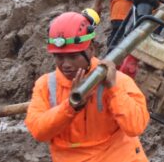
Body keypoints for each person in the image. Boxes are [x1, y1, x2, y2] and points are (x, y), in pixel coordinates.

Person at [25, 10, 150, 162]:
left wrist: (113, 89)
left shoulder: (118, 80)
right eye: (59, 57)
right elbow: (39, 131)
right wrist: (70, 107)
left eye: (73, 57)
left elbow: (135, 126)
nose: (65, 65)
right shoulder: (46, 85)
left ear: (91, 50)